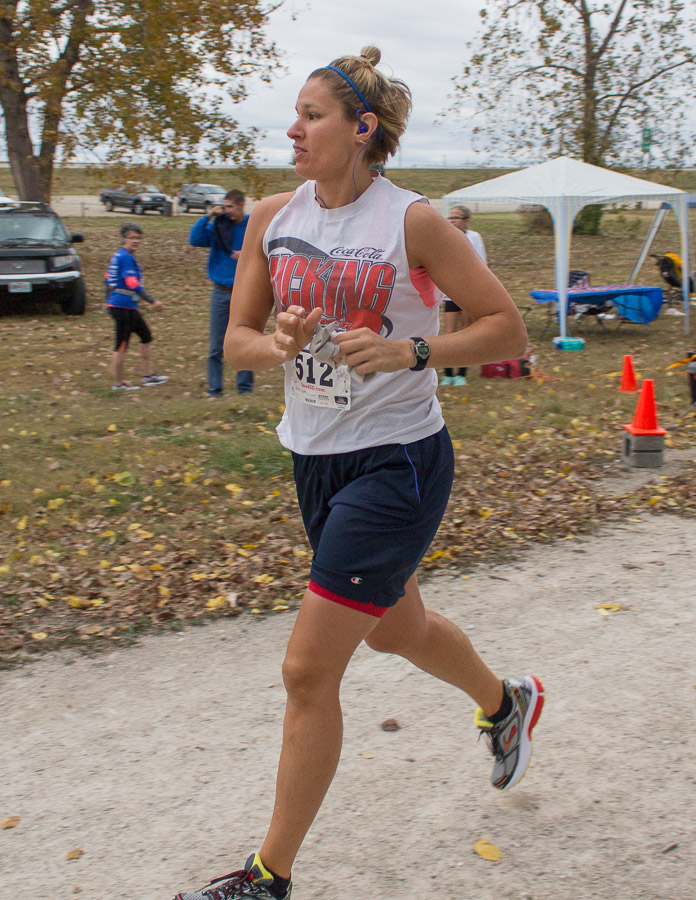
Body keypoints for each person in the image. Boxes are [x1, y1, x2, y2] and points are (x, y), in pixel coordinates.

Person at [172, 46, 543, 900]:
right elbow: (238, 342)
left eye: (312, 116)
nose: (293, 131)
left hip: (398, 460)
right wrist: (279, 344)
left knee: (308, 670)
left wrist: (414, 350)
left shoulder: (414, 222)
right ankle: (506, 703)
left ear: (361, 128)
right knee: (393, 628)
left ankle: (267, 878)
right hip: (313, 459)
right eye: (296, 115)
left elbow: (507, 328)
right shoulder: (273, 217)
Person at [189, 189, 254, 396]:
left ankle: (245, 388)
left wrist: (247, 253)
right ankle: (215, 389)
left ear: (241, 205)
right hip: (221, 292)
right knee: (216, 345)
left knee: (245, 340)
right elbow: (195, 239)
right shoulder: (219, 227)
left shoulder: (252, 225)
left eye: (230, 207)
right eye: (224, 207)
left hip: (245, 292)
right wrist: (209, 215)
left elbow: (267, 247)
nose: (226, 211)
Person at [105, 222, 168, 390]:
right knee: (121, 345)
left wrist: (108, 301)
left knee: (145, 336)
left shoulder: (120, 255)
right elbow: (132, 283)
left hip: (126, 306)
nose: (135, 241)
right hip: (122, 307)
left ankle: (148, 376)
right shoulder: (125, 257)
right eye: (131, 237)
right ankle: (118, 384)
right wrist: (152, 301)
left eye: (138, 238)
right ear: (123, 239)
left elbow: (107, 279)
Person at [440, 205, 488, 386]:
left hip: (469, 291)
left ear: (466, 221)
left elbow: (481, 264)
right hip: (449, 292)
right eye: (450, 217)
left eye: (456, 217)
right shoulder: (444, 235)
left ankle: (461, 373)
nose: (452, 220)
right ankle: (448, 373)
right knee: (449, 333)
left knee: (466, 331)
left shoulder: (474, 237)